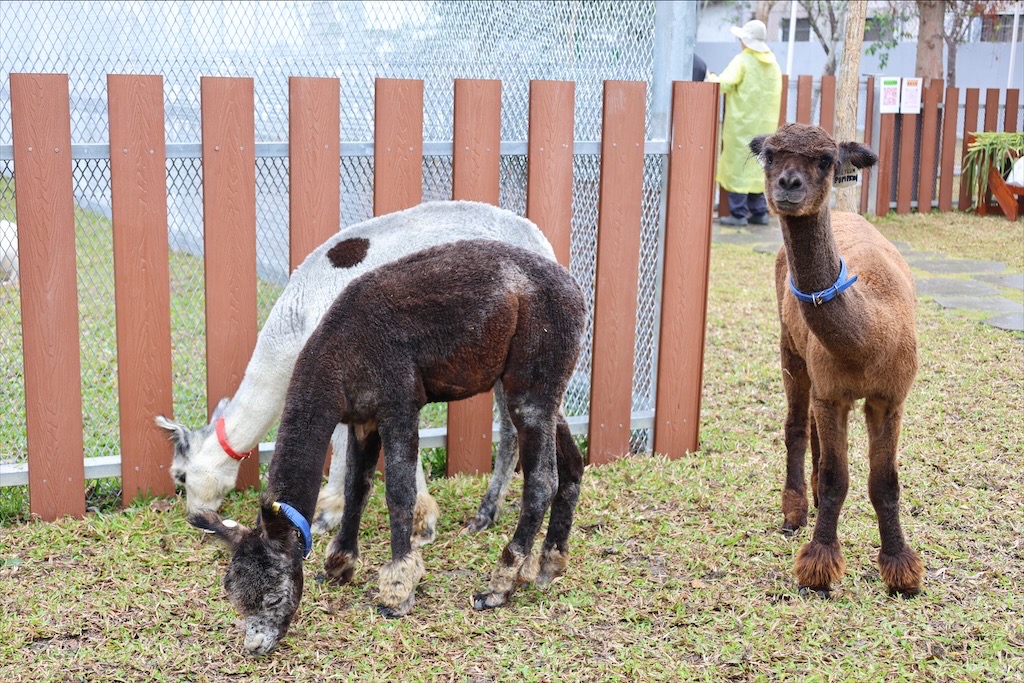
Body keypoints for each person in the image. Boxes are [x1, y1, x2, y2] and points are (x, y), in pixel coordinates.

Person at [708, 19, 783, 226]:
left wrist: (711, 78)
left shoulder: (742, 61)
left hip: (741, 126)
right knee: (759, 166)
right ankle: (759, 212)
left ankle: (738, 213)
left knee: (738, 165)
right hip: (766, 127)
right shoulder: (774, 65)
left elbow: (725, 83)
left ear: (746, 41)